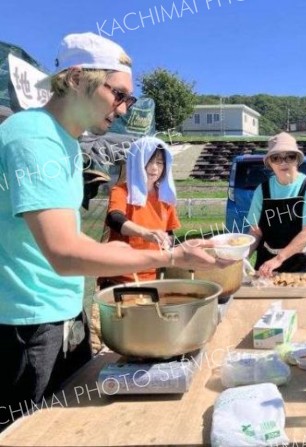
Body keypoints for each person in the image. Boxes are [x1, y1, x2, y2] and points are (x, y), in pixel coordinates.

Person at [0, 32, 226, 431]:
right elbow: (64, 253)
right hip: (24, 325)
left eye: (129, 100)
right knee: (30, 435)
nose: (122, 108)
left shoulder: (65, 144)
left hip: (61, 315)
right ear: (74, 78)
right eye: (117, 94)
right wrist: (169, 257)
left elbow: (76, 241)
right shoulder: (32, 138)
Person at [97, 136, 180, 288]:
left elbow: (169, 234)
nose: (155, 168)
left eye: (160, 162)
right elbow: (115, 219)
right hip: (118, 280)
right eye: (149, 161)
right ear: (137, 162)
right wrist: (146, 233)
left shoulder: (165, 197)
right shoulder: (121, 191)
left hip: (152, 279)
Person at [247, 132, 306, 280]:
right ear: (269, 163)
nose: (283, 162)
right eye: (276, 158)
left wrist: (278, 259)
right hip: (267, 266)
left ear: (297, 160)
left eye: (290, 156)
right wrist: (242, 258)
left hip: (302, 265)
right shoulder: (262, 191)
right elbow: (256, 232)